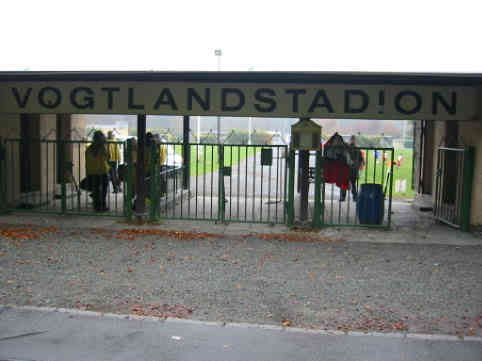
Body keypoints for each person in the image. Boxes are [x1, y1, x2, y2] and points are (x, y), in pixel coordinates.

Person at [85, 131, 110, 211]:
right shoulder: (102, 148)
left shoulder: (89, 148)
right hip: (102, 171)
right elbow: (108, 157)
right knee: (103, 189)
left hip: (91, 172)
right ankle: (102, 205)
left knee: (96, 189)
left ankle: (97, 206)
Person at [340, 135, 364, 202]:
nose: (352, 141)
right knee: (349, 184)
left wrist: (358, 165)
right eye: (352, 139)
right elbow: (361, 160)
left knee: (350, 184)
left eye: (353, 139)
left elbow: (360, 160)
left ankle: (345, 197)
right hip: (351, 169)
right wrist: (358, 166)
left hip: (350, 169)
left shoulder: (349, 148)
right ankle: (352, 197)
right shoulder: (355, 149)